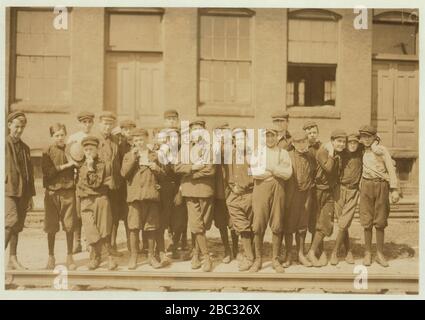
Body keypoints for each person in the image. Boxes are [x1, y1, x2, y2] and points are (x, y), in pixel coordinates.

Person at [174, 119, 216, 272]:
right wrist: (193, 167)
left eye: (200, 129)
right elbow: (177, 167)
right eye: (194, 129)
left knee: (202, 225)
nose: (197, 132)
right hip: (190, 192)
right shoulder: (184, 149)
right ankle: (206, 257)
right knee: (196, 224)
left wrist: (189, 175)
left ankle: (196, 254)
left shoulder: (210, 148)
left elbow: (210, 170)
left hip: (205, 191)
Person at [250, 127, 293, 273]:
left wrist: (271, 169)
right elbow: (255, 172)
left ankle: (275, 259)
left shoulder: (284, 153)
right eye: (267, 136)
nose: (270, 139)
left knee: (277, 223)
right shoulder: (258, 152)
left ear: (277, 137)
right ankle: (258, 259)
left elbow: (287, 174)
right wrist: (276, 171)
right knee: (258, 224)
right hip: (261, 189)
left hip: (278, 189)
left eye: (272, 136)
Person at [121, 128, 165, 269]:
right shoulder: (129, 156)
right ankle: (134, 256)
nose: (139, 143)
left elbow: (164, 176)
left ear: (147, 139)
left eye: (141, 139)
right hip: (134, 197)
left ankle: (151, 256)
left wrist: (156, 168)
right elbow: (124, 174)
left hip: (151, 196)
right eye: (136, 141)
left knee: (151, 227)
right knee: (134, 227)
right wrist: (134, 158)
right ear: (133, 142)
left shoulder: (155, 155)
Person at [358, 125, 400, 267]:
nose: (366, 140)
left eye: (369, 137)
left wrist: (394, 189)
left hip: (381, 185)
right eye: (363, 137)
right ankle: (368, 253)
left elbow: (391, 168)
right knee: (366, 219)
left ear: (375, 137)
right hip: (366, 186)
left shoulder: (382, 150)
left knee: (380, 220)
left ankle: (380, 254)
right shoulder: (360, 149)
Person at [307, 129, 346, 267]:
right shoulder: (324, 151)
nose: (341, 144)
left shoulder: (338, 152)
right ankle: (315, 252)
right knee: (318, 222)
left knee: (326, 223)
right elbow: (329, 168)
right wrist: (330, 153)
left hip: (329, 191)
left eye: (343, 142)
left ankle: (314, 251)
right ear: (332, 141)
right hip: (318, 191)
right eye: (339, 141)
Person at [77, 136, 117, 270]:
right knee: (90, 230)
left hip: (100, 199)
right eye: (86, 149)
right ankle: (96, 257)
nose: (88, 152)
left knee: (104, 229)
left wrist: (90, 168)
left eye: (91, 149)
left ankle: (109, 258)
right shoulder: (81, 165)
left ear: (97, 149)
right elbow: (80, 185)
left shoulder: (101, 164)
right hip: (86, 200)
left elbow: (95, 183)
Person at [41, 123, 78, 270]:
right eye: (57, 135)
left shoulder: (71, 149)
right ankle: (51, 256)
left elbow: (79, 164)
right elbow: (48, 173)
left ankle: (70, 256)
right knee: (51, 226)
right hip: (52, 192)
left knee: (69, 225)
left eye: (62, 135)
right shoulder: (47, 151)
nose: (60, 138)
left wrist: (76, 165)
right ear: (52, 137)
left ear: (66, 135)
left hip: (68, 192)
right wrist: (67, 166)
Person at [5, 111, 36, 270]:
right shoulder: (4, 144)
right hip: (7, 190)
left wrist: (30, 196)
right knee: (11, 221)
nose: (19, 130)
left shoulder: (25, 148)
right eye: (16, 126)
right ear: (9, 125)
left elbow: (29, 173)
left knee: (17, 226)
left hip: (22, 192)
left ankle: (12, 260)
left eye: (22, 127)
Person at [282, 131, 315, 268]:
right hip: (292, 196)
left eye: (304, 142)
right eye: (298, 142)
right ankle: (289, 255)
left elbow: (313, 174)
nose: (301, 145)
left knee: (302, 226)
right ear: (293, 144)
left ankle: (301, 254)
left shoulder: (311, 157)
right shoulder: (288, 156)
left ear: (307, 142)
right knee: (289, 225)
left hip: (306, 195)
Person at [330, 133, 363, 266]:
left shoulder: (361, 155)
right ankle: (348, 250)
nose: (352, 145)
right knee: (343, 223)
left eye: (355, 143)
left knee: (344, 223)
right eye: (350, 143)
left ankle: (334, 252)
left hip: (353, 191)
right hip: (339, 189)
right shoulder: (340, 154)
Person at [97, 111, 125, 257]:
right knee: (101, 217)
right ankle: (99, 247)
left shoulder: (115, 140)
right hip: (100, 186)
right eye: (105, 124)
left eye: (110, 124)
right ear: (99, 124)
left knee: (114, 216)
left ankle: (111, 245)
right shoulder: (94, 140)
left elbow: (118, 161)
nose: (107, 127)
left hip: (114, 185)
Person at [226, 127, 255, 271]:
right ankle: (249, 256)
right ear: (234, 142)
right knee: (242, 225)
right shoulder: (230, 156)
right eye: (237, 139)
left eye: (243, 138)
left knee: (252, 225)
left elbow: (255, 175)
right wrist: (233, 187)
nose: (240, 142)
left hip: (250, 193)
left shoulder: (251, 154)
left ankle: (251, 254)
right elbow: (228, 175)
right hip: (236, 194)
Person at [67, 111, 95, 254]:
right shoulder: (73, 138)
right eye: (84, 122)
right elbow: (68, 155)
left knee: (88, 211)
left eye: (89, 122)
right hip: (76, 178)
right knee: (77, 212)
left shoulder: (95, 138)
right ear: (80, 123)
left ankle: (89, 241)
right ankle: (76, 242)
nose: (87, 125)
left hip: (90, 178)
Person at [212, 122, 234, 264]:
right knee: (221, 222)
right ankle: (227, 249)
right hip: (218, 192)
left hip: (233, 190)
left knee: (234, 221)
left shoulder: (235, 149)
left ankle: (236, 249)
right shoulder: (215, 150)